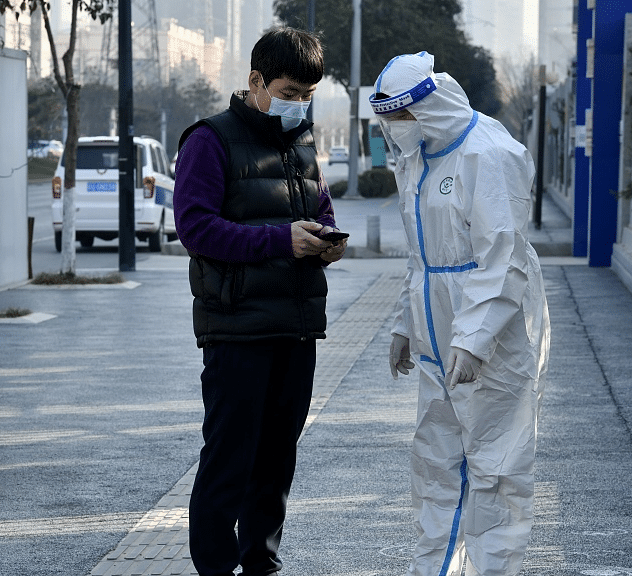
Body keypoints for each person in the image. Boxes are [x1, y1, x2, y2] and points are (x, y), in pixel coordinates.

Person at [172, 27, 346, 576]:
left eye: (308, 96)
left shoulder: (302, 143)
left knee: (277, 458)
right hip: (236, 326)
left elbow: (319, 204)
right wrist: (281, 240)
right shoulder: (209, 139)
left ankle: (261, 563)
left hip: (296, 325)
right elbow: (195, 228)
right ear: (256, 81)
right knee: (230, 457)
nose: (299, 105)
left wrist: (326, 240)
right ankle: (217, 568)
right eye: (290, 92)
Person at [372, 52, 551, 576]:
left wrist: (474, 340)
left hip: (494, 339)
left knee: (496, 470)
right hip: (434, 337)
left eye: (399, 118)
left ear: (426, 108)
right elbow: (422, 256)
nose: (393, 130)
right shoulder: (419, 159)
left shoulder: (488, 153)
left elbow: (502, 259)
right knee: (435, 466)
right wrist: (407, 324)